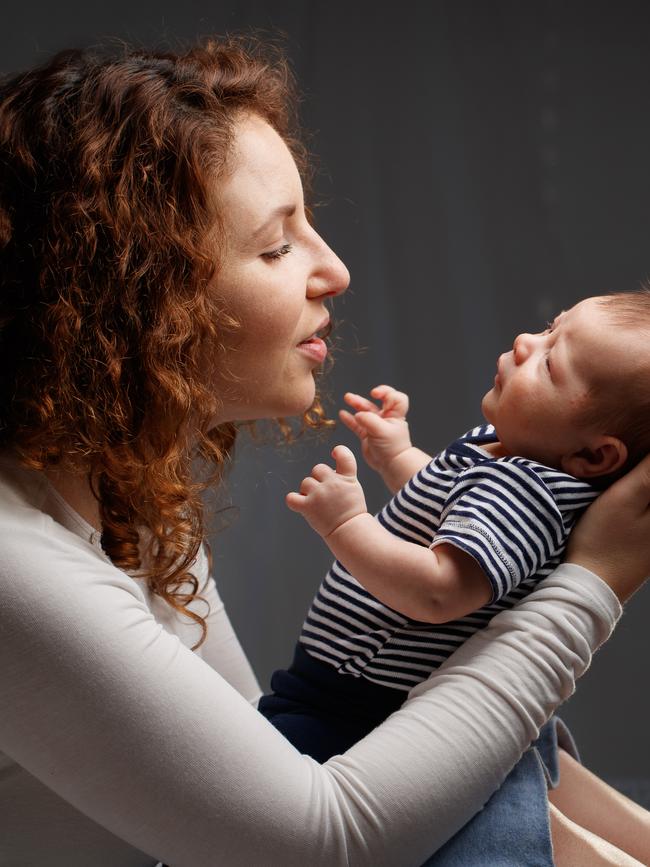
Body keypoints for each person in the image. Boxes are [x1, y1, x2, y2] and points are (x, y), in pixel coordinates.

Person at [0, 37, 648, 867]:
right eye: (276, 248)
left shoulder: (121, 494)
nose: (334, 269)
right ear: (133, 296)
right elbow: (317, 842)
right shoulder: (18, 563)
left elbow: (259, 749)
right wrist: (595, 583)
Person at [260, 289, 650, 864]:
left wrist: (347, 524)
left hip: (367, 705)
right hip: (363, 692)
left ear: (595, 458)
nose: (525, 342)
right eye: (547, 328)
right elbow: (450, 513)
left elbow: (440, 589)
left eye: (549, 362)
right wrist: (398, 455)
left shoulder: (528, 491)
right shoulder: (509, 458)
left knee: (275, 799)